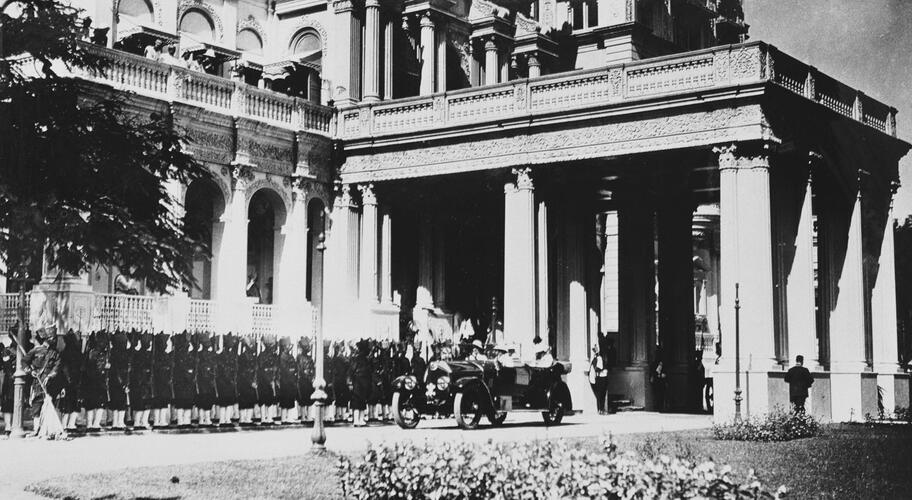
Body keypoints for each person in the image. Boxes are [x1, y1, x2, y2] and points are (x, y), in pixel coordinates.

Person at [588, 345, 608, 415]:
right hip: (600, 377)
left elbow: (598, 368)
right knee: (600, 394)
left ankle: (601, 409)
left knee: (601, 394)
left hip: (601, 377)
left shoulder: (599, 358)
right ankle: (600, 409)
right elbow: (597, 368)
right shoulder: (597, 358)